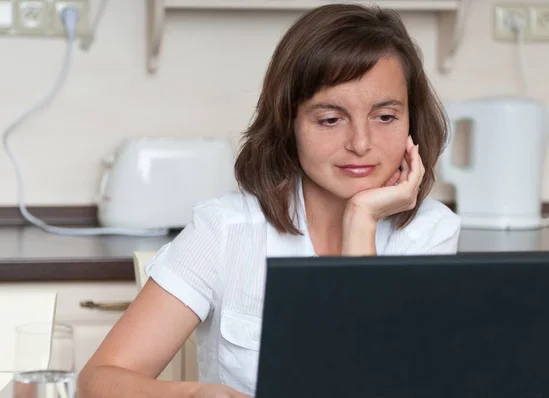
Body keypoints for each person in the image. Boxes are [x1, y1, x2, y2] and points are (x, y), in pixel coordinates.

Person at [78, 3, 461, 398]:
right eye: (330, 119)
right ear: (287, 122)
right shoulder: (224, 230)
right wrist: (193, 395)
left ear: (411, 121)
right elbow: (98, 380)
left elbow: (366, 383)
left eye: (385, 117)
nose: (360, 144)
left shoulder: (430, 234)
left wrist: (361, 221)